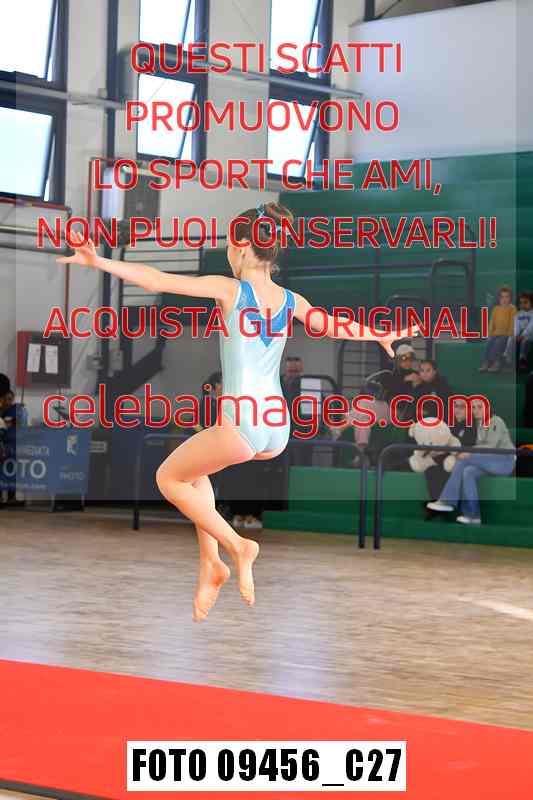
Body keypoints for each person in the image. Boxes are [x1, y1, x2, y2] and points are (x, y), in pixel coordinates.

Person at [57, 203, 416, 621]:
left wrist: (97, 261)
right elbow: (336, 325)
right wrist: (379, 334)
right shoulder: (291, 300)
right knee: (197, 473)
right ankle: (210, 564)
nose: (228, 252)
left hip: (241, 422)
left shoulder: (229, 289)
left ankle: (238, 546)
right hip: (276, 427)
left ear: (242, 247)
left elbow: (156, 279)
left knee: (168, 478)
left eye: (229, 245)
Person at [426, 400, 515, 524]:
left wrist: (470, 452)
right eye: (473, 407)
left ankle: (447, 500)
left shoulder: (496, 420)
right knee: (468, 472)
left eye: (480, 407)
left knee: (464, 459)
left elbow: (491, 446)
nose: (476, 410)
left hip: (504, 461)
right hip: (489, 462)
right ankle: (473, 515)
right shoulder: (477, 424)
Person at [423, 398, 477, 516]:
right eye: (455, 406)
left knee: (448, 466)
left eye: (462, 407)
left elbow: (468, 446)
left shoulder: (472, 425)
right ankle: (436, 503)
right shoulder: (449, 424)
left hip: (462, 458)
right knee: (430, 467)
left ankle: (449, 506)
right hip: (447, 454)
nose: (457, 410)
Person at [479, 285, 516, 373]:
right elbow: (492, 322)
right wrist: (490, 333)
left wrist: (509, 334)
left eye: (507, 297)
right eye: (502, 297)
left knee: (498, 343)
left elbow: (512, 323)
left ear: (510, 298)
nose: (504, 299)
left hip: (506, 334)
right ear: (499, 298)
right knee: (489, 342)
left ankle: (497, 362)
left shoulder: (512, 308)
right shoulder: (496, 309)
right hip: (495, 333)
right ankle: (487, 362)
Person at [503, 291, 533, 372]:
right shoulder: (518, 314)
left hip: (530, 335)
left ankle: (522, 360)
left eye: (525, 302)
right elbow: (516, 326)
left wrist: (523, 335)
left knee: (524, 341)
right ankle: (507, 358)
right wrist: (516, 335)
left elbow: (531, 327)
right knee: (511, 338)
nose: (523, 305)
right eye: (521, 303)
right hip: (520, 335)